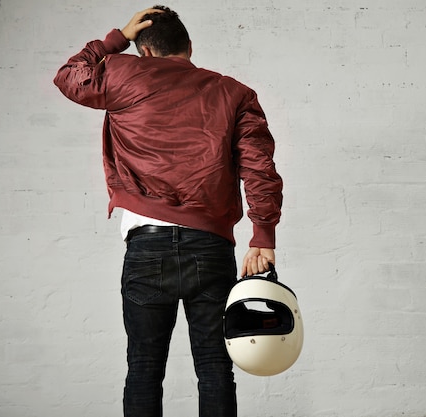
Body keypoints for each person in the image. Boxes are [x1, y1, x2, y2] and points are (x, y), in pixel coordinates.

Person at [53, 5, 283, 417]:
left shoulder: (122, 73)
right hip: (210, 247)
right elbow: (259, 167)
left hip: (146, 247)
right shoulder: (234, 92)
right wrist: (262, 235)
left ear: (144, 52)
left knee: (143, 368)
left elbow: (70, 75)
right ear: (190, 47)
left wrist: (115, 39)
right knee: (215, 368)